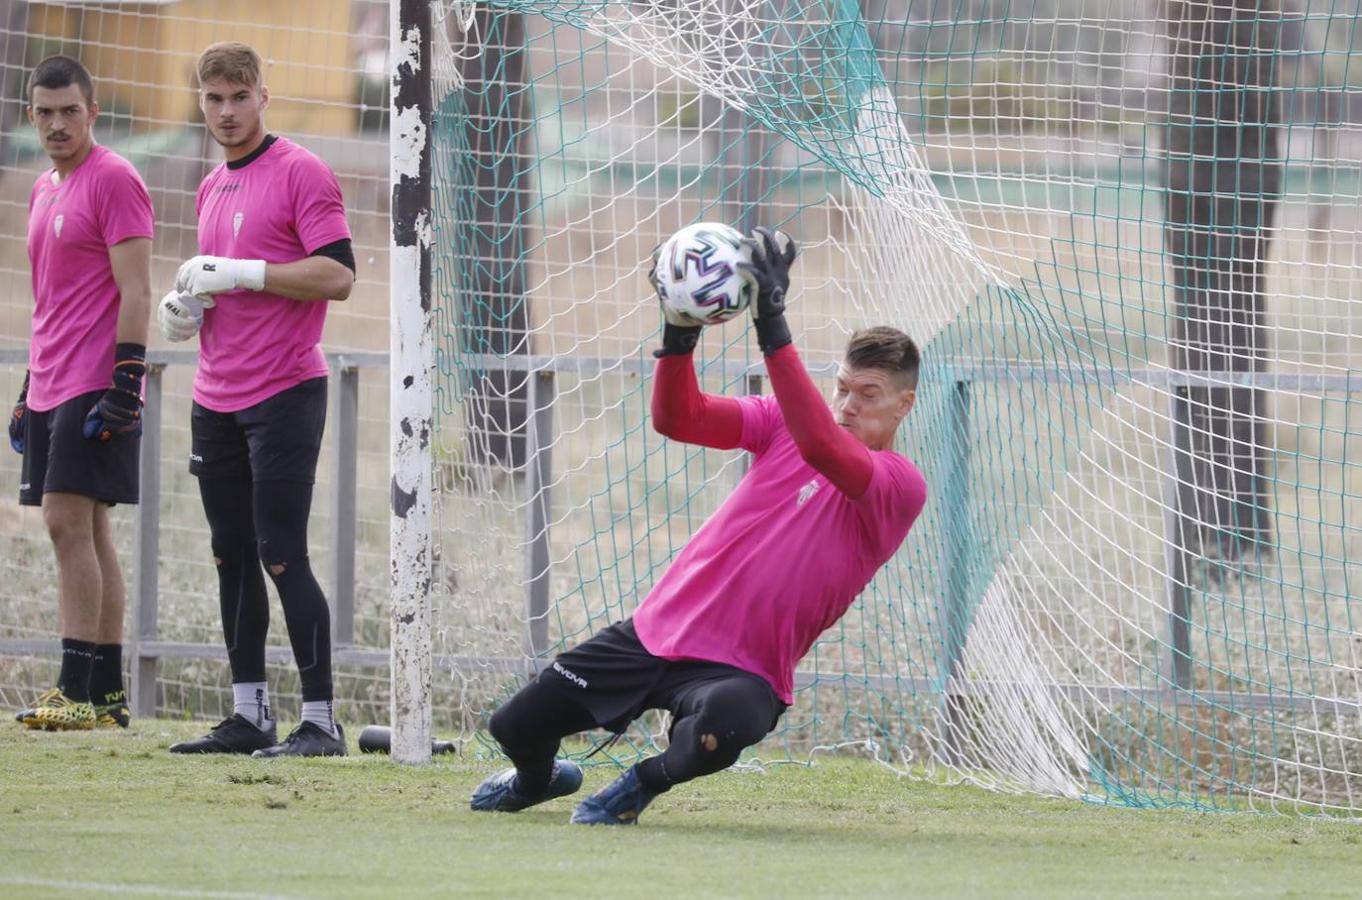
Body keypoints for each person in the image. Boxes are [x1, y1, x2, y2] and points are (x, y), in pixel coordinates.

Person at [470, 228, 928, 824]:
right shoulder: (785, 423)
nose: (846, 406)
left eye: (866, 395)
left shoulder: (899, 485)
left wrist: (772, 322)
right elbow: (677, 417)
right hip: (655, 633)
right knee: (514, 725)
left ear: (903, 405)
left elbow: (821, 447)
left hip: (742, 668)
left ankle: (642, 783)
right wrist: (679, 329)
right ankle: (537, 779)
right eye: (841, 387)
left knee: (726, 726)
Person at [160, 42, 354, 758]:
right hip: (215, 396)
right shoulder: (211, 185)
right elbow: (218, 286)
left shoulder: (302, 170)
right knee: (228, 554)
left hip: (285, 393)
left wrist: (244, 271)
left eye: (239, 96)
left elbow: (337, 276)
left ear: (263, 96)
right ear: (201, 101)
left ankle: (322, 722)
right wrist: (188, 310)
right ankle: (249, 715)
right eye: (213, 98)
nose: (226, 111)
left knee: (281, 554)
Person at [10, 56, 154, 732]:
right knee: (88, 527)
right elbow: (52, 300)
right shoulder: (44, 188)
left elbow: (137, 289)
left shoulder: (116, 179)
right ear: (30, 114)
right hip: (52, 379)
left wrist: (128, 380)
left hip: (97, 379)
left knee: (65, 521)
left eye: (71, 110)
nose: (58, 123)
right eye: (46, 112)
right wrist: (25, 388)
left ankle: (72, 689)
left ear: (93, 111)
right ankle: (104, 695)